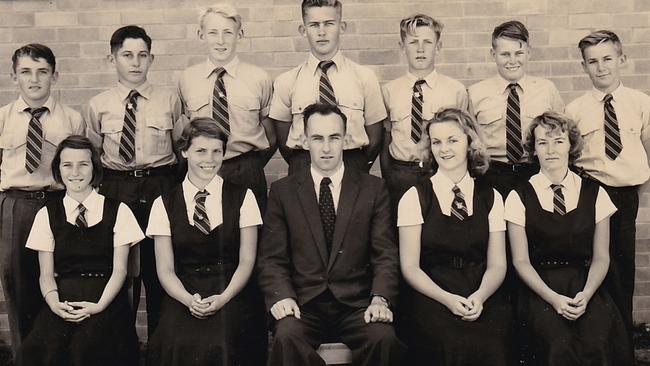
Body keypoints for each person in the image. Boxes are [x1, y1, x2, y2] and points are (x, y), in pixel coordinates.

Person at [258, 102, 404, 366]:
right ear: (304, 140)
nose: (326, 148)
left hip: (356, 305)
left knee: (383, 339)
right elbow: (272, 259)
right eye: (317, 138)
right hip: (303, 305)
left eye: (334, 138)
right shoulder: (283, 192)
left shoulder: (373, 189)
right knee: (286, 337)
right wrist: (283, 296)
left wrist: (380, 298)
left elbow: (385, 254)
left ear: (346, 139)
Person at [505, 111, 631, 365]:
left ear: (571, 145)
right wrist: (553, 299)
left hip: (586, 284)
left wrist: (586, 294)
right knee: (555, 342)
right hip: (540, 288)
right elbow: (520, 261)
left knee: (597, 338)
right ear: (534, 149)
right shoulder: (519, 196)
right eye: (542, 142)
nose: (551, 149)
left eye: (558, 141)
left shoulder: (595, 193)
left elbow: (601, 257)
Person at [84, 25, 183, 336]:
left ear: (151, 59)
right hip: (117, 188)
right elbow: (93, 157)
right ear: (112, 59)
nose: (135, 62)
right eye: (127, 55)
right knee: (122, 271)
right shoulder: (97, 105)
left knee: (161, 270)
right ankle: (122, 347)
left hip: (160, 187)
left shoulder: (169, 100)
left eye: (142, 55)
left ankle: (160, 347)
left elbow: (182, 151)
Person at [146, 118, 267, 366]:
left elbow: (247, 261)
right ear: (185, 152)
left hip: (232, 291)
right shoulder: (164, 202)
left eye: (216, 152)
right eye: (201, 151)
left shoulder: (244, 197)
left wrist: (223, 298)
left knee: (222, 342)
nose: (209, 159)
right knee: (176, 341)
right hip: (184, 292)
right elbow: (165, 269)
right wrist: (189, 300)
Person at [397, 108, 512, 365]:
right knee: (452, 343)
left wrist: (480, 297)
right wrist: (448, 300)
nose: (444, 149)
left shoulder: (491, 196)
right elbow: (410, 267)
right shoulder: (414, 197)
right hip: (431, 293)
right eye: (436, 142)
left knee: (494, 342)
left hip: (479, 290)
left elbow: (497, 264)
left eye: (453, 140)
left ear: (470, 142)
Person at [18, 135, 142, 366]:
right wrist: (54, 304)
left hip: (105, 299)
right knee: (39, 350)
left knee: (87, 349)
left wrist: (100, 306)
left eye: (83, 164)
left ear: (94, 168)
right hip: (63, 300)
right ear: (58, 169)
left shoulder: (118, 210)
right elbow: (45, 274)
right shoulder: (47, 214)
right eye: (67, 165)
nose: (75, 172)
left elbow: (120, 270)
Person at [565, 30, 650, 344]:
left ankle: (622, 340)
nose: (601, 67)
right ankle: (595, 338)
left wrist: (637, 188)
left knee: (622, 264)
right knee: (593, 264)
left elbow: (647, 152)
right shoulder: (575, 110)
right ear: (584, 66)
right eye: (592, 62)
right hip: (591, 193)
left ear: (622, 60)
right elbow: (572, 159)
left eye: (607, 59)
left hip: (626, 195)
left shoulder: (641, 104)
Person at [0, 43, 85, 355]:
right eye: (25, 72)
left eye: (42, 72)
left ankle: (58, 356)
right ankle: (26, 357)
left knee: (57, 282)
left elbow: (80, 170)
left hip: (55, 205)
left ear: (55, 76)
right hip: (16, 206)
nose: (34, 80)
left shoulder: (72, 120)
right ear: (14, 77)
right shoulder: (3, 118)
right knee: (18, 284)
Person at [269, 0, 387, 174]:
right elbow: (283, 139)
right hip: (304, 164)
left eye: (329, 24)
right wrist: (303, 164)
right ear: (303, 30)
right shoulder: (286, 81)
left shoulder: (364, 77)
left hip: (352, 162)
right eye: (314, 25)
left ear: (342, 27)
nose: (322, 32)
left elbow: (375, 136)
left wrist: (358, 166)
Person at [178, 2, 275, 210]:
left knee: (251, 232)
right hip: (203, 168)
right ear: (201, 35)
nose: (220, 41)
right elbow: (184, 132)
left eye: (228, 33)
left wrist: (251, 164)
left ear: (239, 35)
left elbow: (271, 135)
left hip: (245, 168)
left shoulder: (259, 78)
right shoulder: (187, 79)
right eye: (213, 32)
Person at [468, 20, 564, 197]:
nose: (512, 61)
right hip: (493, 173)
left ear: (528, 52)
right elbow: (470, 141)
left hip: (535, 171)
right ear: (493, 54)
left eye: (518, 53)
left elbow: (561, 136)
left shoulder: (546, 90)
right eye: (505, 54)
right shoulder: (475, 93)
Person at [381, 14, 468, 208]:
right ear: (402, 47)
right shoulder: (389, 91)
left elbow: (464, 139)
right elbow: (385, 139)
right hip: (400, 174)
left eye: (428, 42)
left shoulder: (455, 90)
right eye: (413, 42)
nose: (420, 49)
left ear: (438, 47)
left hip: (440, 172)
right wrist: (390, 176)